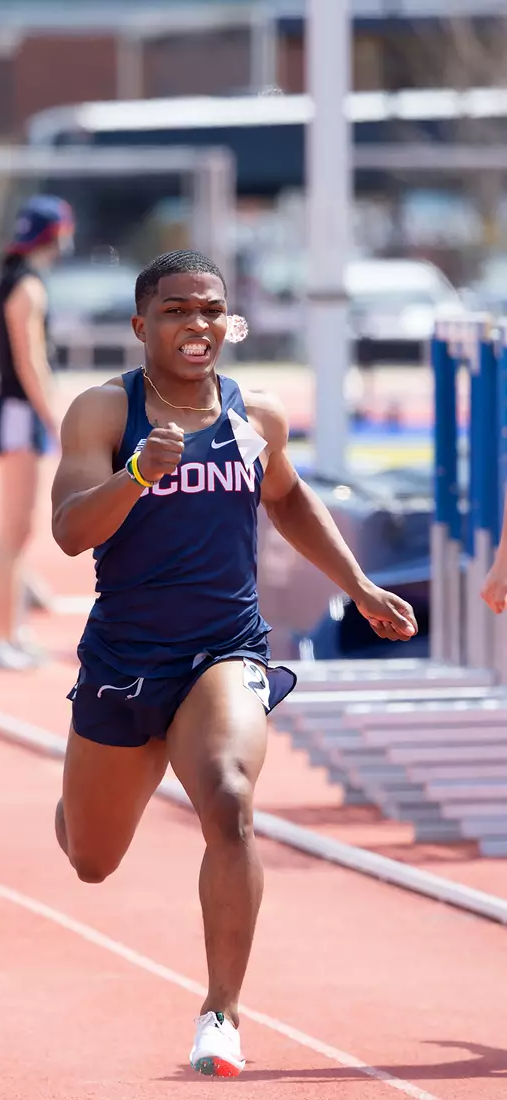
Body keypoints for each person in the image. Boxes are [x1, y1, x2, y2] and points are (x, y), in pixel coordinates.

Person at [49, 249, 417, 1078]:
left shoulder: (259, 414)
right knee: (91, 858)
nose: (197, 325)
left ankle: (221, 1011)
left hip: (227, 646)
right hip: (127, 655)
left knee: (231, 800)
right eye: (177, 311)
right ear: (143, 326)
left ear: (230, 322)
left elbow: (283, 495)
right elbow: (71, 530)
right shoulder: (104, 413)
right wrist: (138, 474)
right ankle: (83, 797)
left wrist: (357, 586)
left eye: (211, 310)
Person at [0, 194, 74, 670]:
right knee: (12, 531)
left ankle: (9, 630)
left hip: (15, 409)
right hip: (19, 410)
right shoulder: (29, 287)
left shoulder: (16, 280)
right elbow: (29, 359)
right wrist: (52, 415)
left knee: (19, 530)